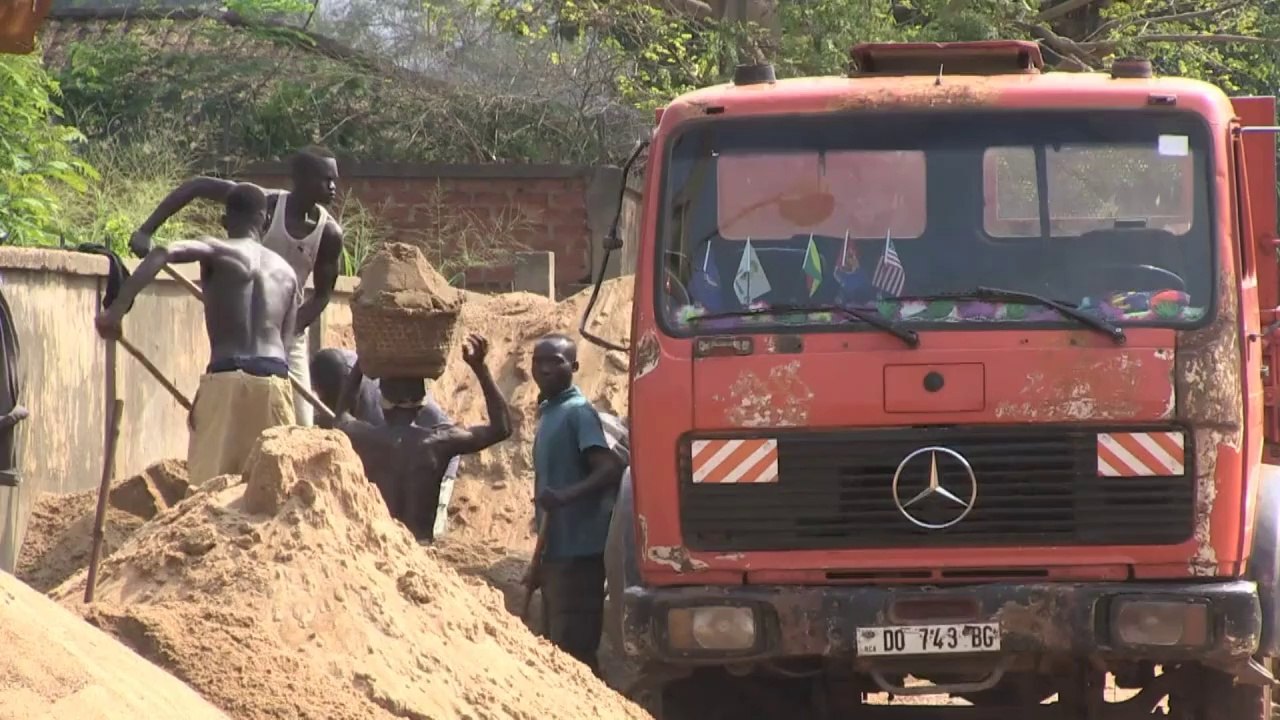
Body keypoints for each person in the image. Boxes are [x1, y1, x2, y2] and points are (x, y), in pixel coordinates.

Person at [97, 184, 299, 486]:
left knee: (207, 489)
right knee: (272, 492)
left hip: (227, 373)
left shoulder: (216, 248)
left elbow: (164, 252)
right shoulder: (288, 273)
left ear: (224, 222)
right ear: (266, 221)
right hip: (275, 379)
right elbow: (286, 343)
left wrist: (116, 310)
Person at [130, 146, 345, 427]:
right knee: (223, 413)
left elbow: (322, 296)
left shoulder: (328, 233)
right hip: (239, 324)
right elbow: (198, 186)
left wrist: (288, 331)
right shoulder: (261, 203)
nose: (332, 187)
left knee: (300, 422)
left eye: (334, 181)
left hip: (286, 331)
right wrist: (146, 230)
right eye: (324, 179)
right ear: (301, 178)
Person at [331, 334, 511, 541]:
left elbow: (341, 416)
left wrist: (362, 362)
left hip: (384, 544)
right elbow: (502, 428)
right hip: (420, 550)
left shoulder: (367, 439)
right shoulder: (439, 442)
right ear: (423, 403)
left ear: (382, 401)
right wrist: (481, 368)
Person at [528, 333, 626, 676]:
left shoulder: (578, 413)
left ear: (574, 366)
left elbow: (609, 469)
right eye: (538, 361)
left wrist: (565, 496)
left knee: (574, 652)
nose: (544, 368)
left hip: (579, 553)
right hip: (556, 550)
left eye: (554, 361)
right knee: (555, 647)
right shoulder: (551, 413)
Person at [310, 347, 461, 537]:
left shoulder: (383, 410)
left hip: (433, 460)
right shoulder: (328, 369)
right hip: (399, 442)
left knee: (419, 527)